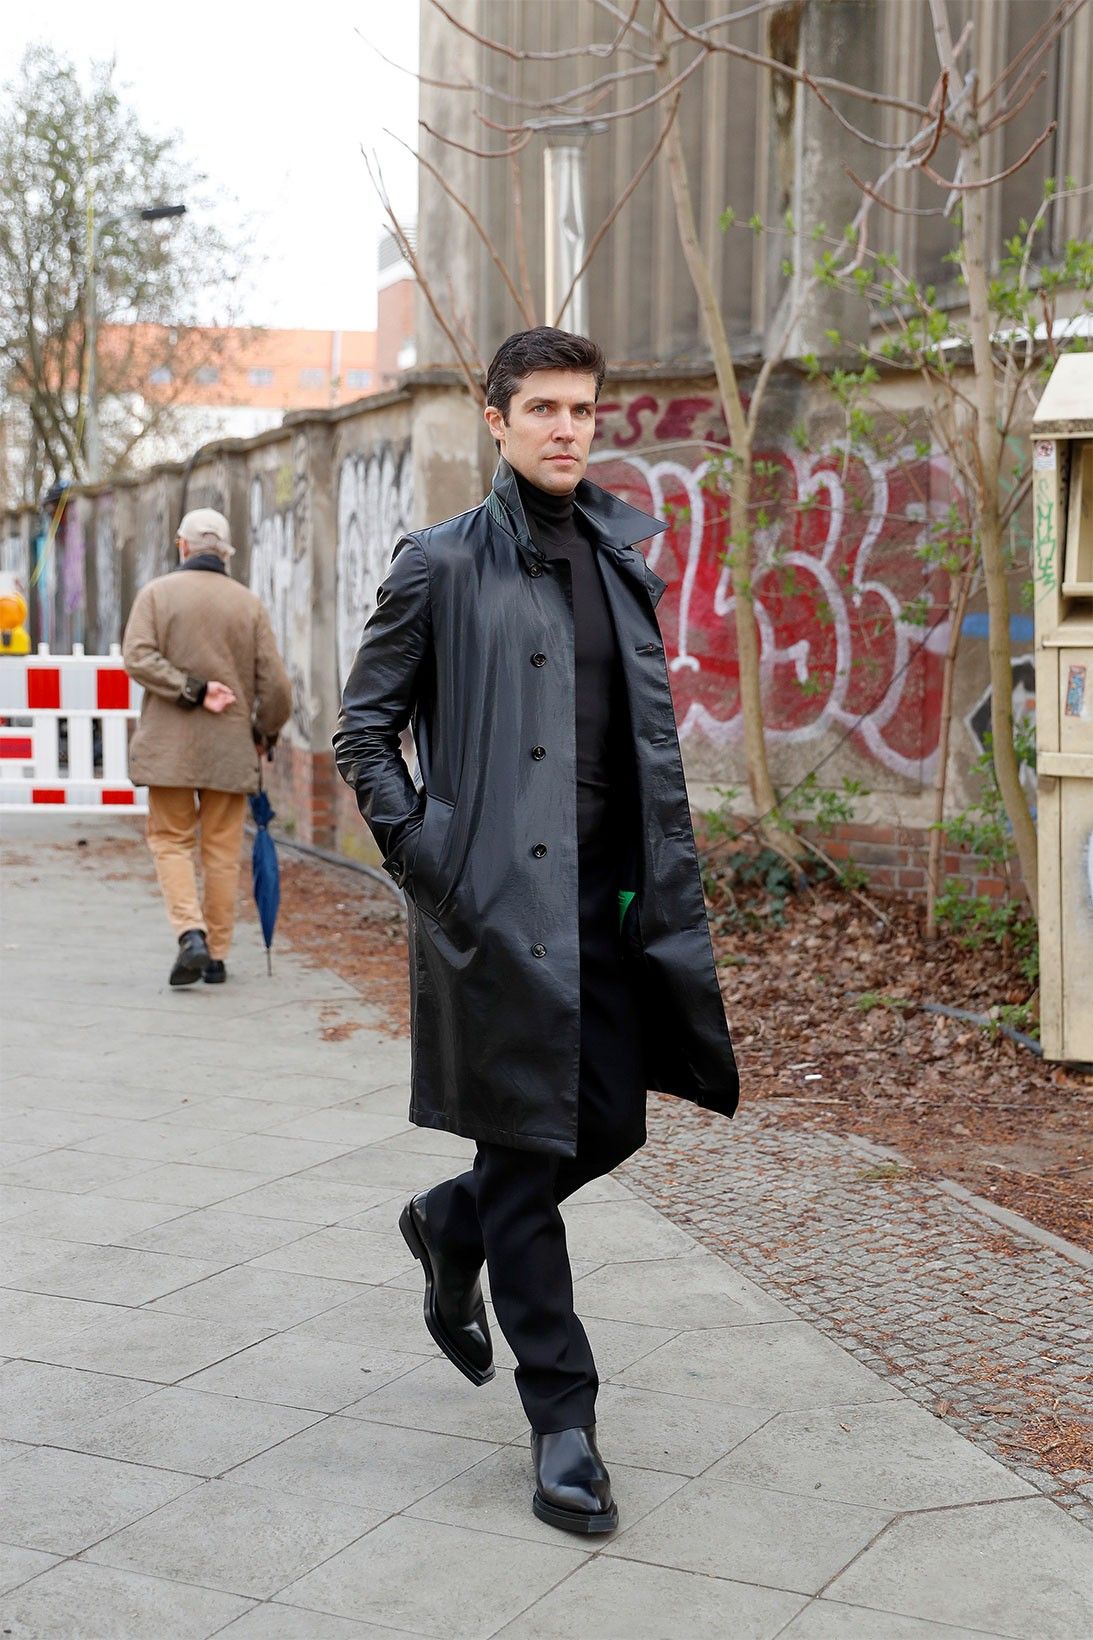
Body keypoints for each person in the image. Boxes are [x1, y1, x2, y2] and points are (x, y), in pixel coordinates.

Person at [335, 326, 738, 1535]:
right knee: (523, 1161)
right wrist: (436, 863)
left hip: (612, 907)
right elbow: (364, 731)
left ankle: (448, 1219)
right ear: (496, 418)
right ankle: (563, 1418)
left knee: (608, 1119)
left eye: (582, 409)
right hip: (499, 916)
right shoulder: (441, 562)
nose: (568, 428)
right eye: (545, 407)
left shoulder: (618, 555)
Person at [122, 507, 291, 987]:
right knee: (221, 851)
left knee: (171, 841)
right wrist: (264, 733)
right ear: (226, 553)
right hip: (231, 748)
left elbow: (137, 656)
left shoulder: (156, 595)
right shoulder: (249, 605)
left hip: (168, 750)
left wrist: (191, 689)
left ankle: (190, 933)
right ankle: (215, 956)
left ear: (182, 546)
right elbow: (278, 687)